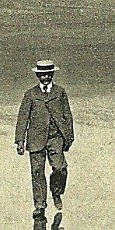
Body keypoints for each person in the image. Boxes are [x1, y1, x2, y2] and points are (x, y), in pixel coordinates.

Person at [15, 60, 75, 220]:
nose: (46, 77)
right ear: (38, 76)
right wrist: (20, 140)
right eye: (42, 75)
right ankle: (40, 205)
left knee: (60, 168)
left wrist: (69, 137)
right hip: (35, 139)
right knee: (37, 172)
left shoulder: (60, 92)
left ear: (53, 74)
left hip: (56, 137)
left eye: (49, 74)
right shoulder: (30, 95)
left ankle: (56, 192)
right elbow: (22, 118)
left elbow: (67, 116)